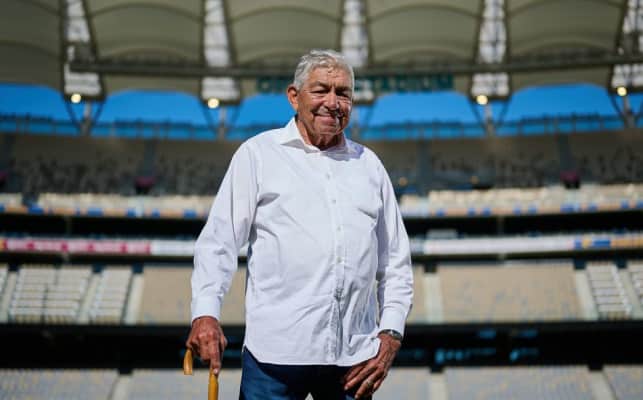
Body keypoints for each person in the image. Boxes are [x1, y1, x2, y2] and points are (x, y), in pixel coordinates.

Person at [187, 49, 413, 400]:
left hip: (353, 360)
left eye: (343, 93)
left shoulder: (369, 166)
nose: (332, 103)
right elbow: (219, 243)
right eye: (321, 90)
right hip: (273, 358)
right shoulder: (258, 154)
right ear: (294, 97)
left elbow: (396, 262)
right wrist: (205, 314)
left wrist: (391, 334)